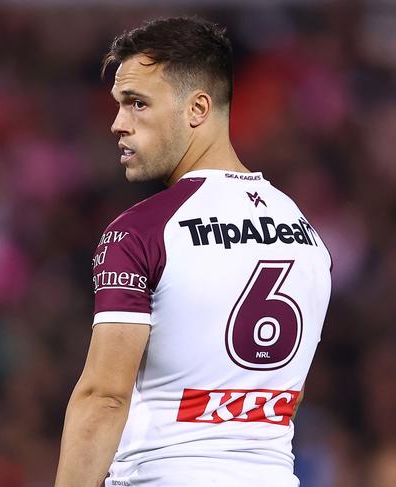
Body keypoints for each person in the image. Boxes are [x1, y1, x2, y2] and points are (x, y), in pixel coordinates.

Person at [54, 16, 332, 487]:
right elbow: (285, 393)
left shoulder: (141, 232)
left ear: (197, 108)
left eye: (137, 104)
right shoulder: (307, 235)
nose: (118, 124)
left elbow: (104, 397)